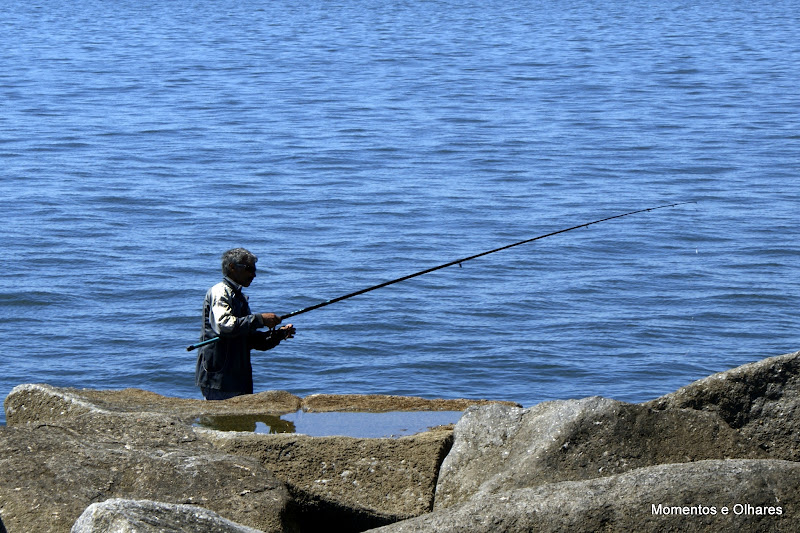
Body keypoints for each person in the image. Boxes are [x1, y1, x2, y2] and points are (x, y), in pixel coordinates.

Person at [195, 248, 295, 400]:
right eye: (249, 269)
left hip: (238, 378)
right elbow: (224, 326)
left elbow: (249, 339)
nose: (253, 274)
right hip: (219, 379)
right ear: (232, 267)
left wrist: (277, 335)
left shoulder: (238, 296)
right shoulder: (220, 292)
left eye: (255, 270)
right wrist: (260, 319)